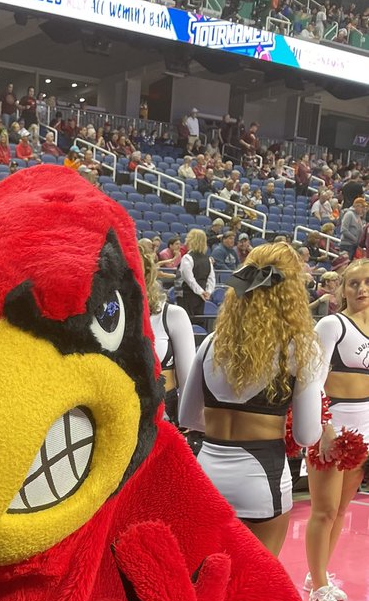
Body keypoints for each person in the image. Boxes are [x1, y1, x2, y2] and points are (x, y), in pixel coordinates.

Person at [180, 244, 326, 558]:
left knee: (204, 585)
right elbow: (306, 435)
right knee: (254, 591)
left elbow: (188, 417)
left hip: (206, 478)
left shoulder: (211, 342)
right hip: (261, 481)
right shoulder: (298, 347)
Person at [305, 260, 369, 601]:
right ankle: (318, 589)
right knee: (324, 510)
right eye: (353, 283)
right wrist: (324, 428)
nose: (361, 289)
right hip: (332, 427)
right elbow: (312, 381)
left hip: (364, 428)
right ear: (342, 289)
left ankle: (318, 574)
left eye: (367, 283)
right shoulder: (332, 324)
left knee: (342, 509)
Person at [139, 243, 195, 427]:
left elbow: (188, 380)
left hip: (163, 419)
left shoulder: (173, 315)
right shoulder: (107, 318)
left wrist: (186, 424)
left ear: (147, 274)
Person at [176, 227, 214, 323]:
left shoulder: (187, 258)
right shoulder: (208, 259)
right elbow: (211, 279)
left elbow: (189, 279)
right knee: (197, 322)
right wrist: (207, 292)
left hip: (188, 297)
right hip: (201, 297)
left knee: (187, 323)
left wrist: (202, 292)